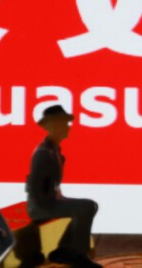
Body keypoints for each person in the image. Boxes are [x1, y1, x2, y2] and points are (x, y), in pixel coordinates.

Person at [26, 105, 100, 268]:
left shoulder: (54, 151)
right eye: (63, 124)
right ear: (52, 127)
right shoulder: (44, 153)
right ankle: (78, 254)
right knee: (87, 207)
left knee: (87, 206)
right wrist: (52, 205)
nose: (67, 127)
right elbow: (36, 187)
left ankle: (64, 250)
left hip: (49, 201)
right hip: (41, 206)